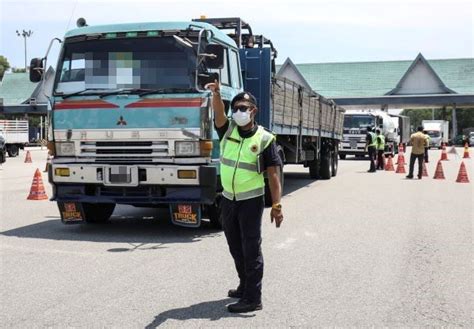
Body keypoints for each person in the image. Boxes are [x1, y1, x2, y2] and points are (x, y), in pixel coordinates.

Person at [205, 81, 283, 313]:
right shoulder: (227, 130)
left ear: (253, 111)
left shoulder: (265, 139)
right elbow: (218, 113)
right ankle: (244, 285)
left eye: (243, 108)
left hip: (251, 200)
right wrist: (217, 94)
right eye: (236, 107)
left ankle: (253, 298)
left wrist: (277, 204)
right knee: (235, 245)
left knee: (251, 247)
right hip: (228, 199)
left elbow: (273, 175)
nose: (239, 112)